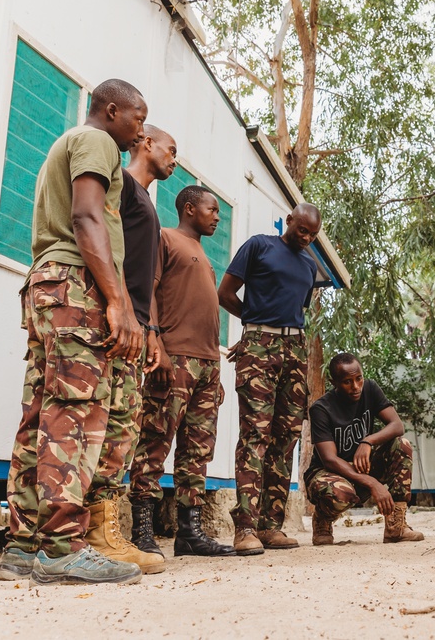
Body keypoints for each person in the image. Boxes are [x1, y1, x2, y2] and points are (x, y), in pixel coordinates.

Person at [0, 79, 148, 586]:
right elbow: (86, 218)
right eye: (138, 120)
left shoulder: (67, 146)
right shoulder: (97, 141)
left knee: (42, 412)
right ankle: (63, 545)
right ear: (111, 111)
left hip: (46, 285)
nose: (140, 132)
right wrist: (118, 302)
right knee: (76, 412)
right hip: (74, 286)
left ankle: (22, 545)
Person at [82, 125, 177, 575]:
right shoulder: (121, 187)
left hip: (136, 325)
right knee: (106, 428)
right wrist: (119, 308)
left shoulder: (145, 201)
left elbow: (145, 276)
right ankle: (93, 535)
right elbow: (108, 250)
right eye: (169, 149)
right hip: (113, 321)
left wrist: (151, 327)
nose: (174, 159)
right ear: (145, 144)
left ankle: (101, 532)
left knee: (122, 429)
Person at [128, 185, 237, 559]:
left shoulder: (204, 256)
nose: (218, 216)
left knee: (198, 451)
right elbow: (148, 293)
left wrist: (215, 368)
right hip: (174, 358)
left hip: (206, 363)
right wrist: (154, 343)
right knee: (155, 440)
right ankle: (140, 529)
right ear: (190, 209)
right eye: (213, 209)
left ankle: (189, 533)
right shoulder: (165, 239)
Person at [218, 203, 322, 555]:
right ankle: (244, 527)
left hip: (295, 347)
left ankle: (270, 526)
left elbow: (295, 309)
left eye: (313, 234)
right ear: (289, 220)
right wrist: (253, 329)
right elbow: (225, 293)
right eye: (302, 230)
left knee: (286, 437)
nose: (306, 238)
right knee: (255, 434)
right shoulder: (259, 246)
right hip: (259, 345)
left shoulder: (309, 265)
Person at [305, 354, 424, 546]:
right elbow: (329, 459)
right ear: (333, 382)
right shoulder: (321, 409)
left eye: (358, 378)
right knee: (340, 495)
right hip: (329, 473)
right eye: (347, 382)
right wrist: (372, 483)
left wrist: (367, 441)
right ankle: (323, 518)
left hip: (363, 466)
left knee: (402, 444)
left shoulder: (370, 389)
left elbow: (397, 425)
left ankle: (396, 526)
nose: (356, 386)